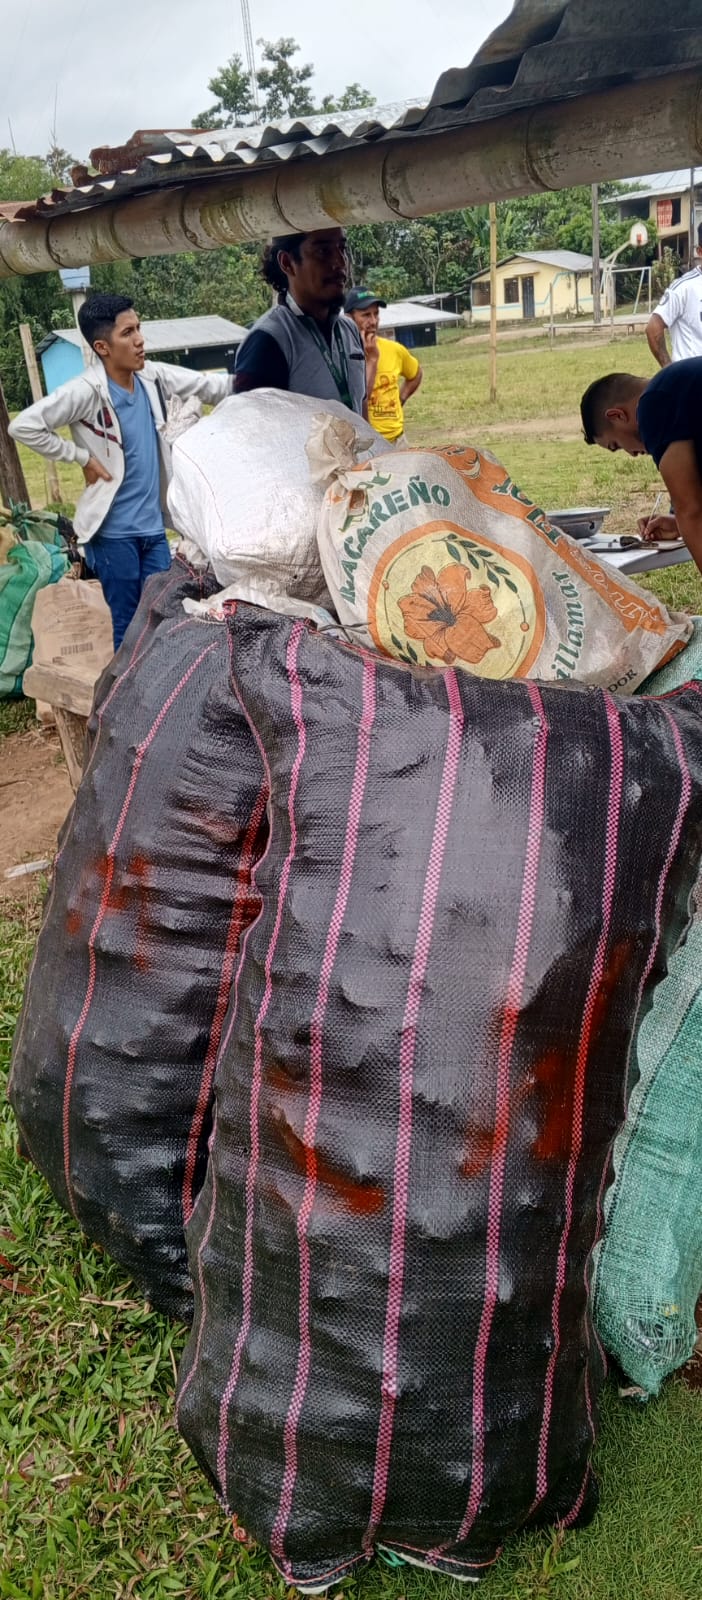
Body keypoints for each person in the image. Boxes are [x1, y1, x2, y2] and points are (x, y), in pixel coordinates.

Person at [9, 294, 231, 648]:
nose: (140, 340)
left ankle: (156, 680)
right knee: (129, 625)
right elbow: (24, 426)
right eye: (128, 333)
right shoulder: (86, 392)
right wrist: (80, 457)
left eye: (139, 329)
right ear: (103, 347)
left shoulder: (151, 378)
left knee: (164, 613)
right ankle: (123, 683)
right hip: (113, 536)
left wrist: (257, 378)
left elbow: (208, 386)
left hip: (153, 530)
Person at [579, 359, 702, 573]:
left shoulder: (653, 403)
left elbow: (690, 510)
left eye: (616, 445)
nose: (632, 454)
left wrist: (684, 519)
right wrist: (678, 524)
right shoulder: (680, 387)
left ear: (617, 415)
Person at [233, 228, 367, 414]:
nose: (341, 262)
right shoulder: (267, 340)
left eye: (342, 249)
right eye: (323, 251)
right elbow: (249, 427)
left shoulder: (349, 330)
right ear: (287, 263)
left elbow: (361, 407)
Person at [345, 287, 423, 444]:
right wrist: (372, 360)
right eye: (366, 315)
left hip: (398, 440)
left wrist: (401, 399)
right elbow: (359, 402)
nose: (373, 321)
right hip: (366, 444)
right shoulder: (343, 354)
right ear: (349, 318)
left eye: (376, 314)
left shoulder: (393, 349)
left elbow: (415, 374)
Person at [645, 225, 702, 367]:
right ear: (700, 252)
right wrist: (670, 370)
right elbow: (653, 328)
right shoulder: (683, 288)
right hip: (691, 376)